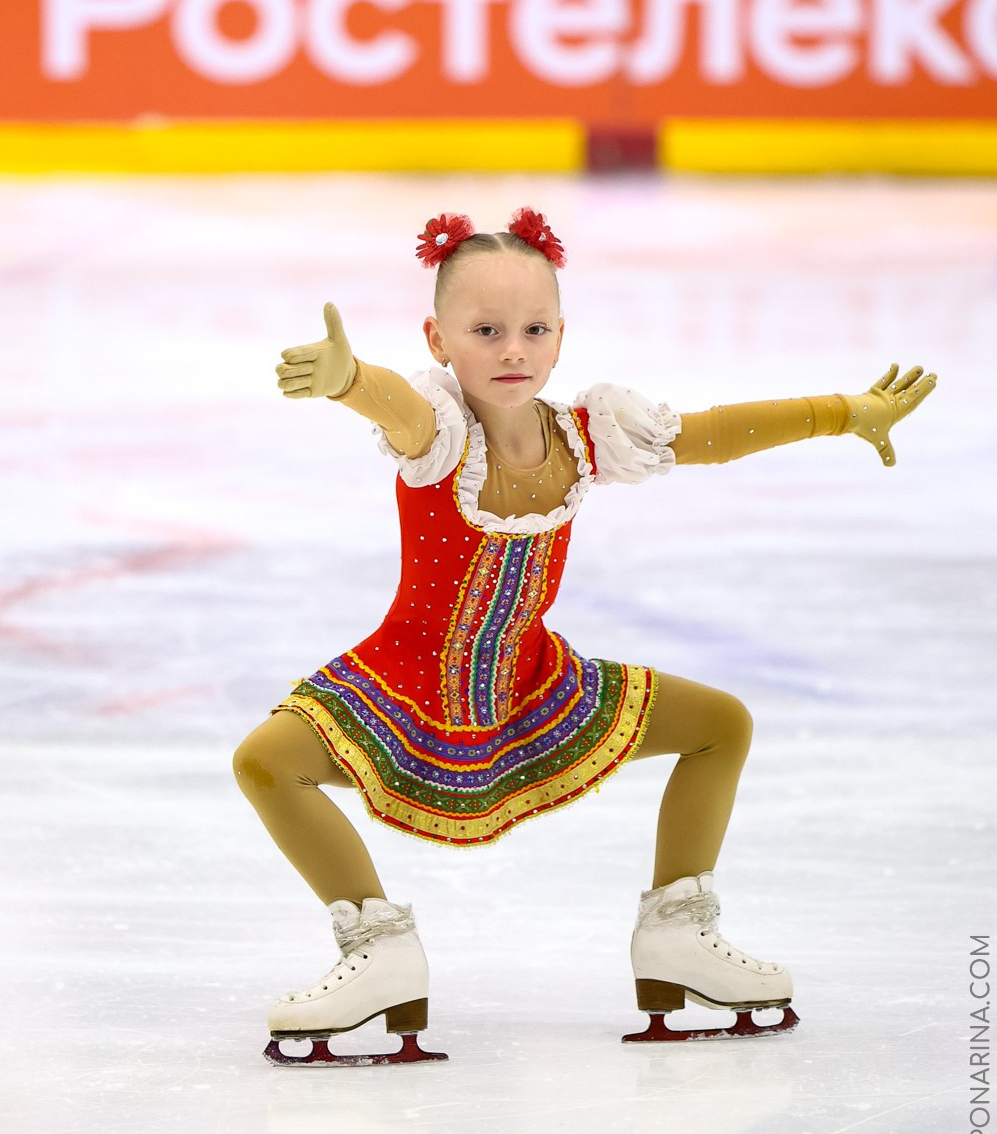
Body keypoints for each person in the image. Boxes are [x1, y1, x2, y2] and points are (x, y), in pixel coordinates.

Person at [234, 206, 936, 1063]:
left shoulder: (586, 435)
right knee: (266, 760)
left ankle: (676, 935)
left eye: (534, 329)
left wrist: (846, 411)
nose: (513, 350)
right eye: (485, 331)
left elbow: (713, 435)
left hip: (534, 685)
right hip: (407, 679)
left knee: (720, 724)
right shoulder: (438, 436)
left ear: (561, 337)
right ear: (439, 338)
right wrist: (349, 378)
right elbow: (395, 408)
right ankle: (379, 951)